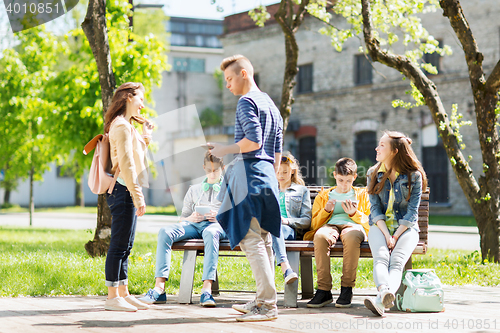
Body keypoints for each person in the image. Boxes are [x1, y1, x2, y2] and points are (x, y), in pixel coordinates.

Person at [208, 54, 283, 322]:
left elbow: (253, 141)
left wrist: (223, 149)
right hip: (266, 179)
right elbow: (276, 152)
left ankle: (266, 305)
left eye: (229, 79)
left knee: (252, 241)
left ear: (243, 74)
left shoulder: (246, 101)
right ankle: (263, 299)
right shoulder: (272, 106)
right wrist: (269, 181)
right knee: (262, 240)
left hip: (250, 177)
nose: (227, 85)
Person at [139, 152, 227, 307]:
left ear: (223, 168)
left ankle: (206, 290)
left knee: (210, 232)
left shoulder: (229, 190)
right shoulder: (195, 189)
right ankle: (159, 288)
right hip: (194, 225)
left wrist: (219, 216)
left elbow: (237, 217)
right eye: (208, 170)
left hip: (216, 226)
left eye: (216, 171)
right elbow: (182, 218)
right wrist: (191, 218)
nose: (212, 174)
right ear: (203, 168)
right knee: (165, 232)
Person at [363, 131, 427, 316]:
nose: (377, 148)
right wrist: (386, 235)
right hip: (380, 227)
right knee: (381, 257)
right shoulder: (373, 173)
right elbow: (375, 210)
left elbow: (412, 213)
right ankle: (384, 292)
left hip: (406, 228)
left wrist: (396, 236)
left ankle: (380, 301)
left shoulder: (414, 176)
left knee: (397, 262)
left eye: (382, 145)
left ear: (394, 151)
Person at [104, 82, 153, 311]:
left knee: (126, 245)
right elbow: (126, 164)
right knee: (118, 245)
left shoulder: (127, 126)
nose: (143, 104)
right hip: (122, 190)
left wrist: (146, 136)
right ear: (128, 98)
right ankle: (112, 297)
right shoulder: (121, 126)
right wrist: (138, 195)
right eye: (140, 99)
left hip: (126, 190)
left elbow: (136, 153)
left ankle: (123, 292)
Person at [304, 158, 370, 308]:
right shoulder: (324, 195)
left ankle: (347, 289)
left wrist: (355, 214)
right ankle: (323, 290)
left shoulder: (362, 194)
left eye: (348, 181)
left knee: (352, 237)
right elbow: (314, 224)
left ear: (354, 177)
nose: (344, 185)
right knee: (320, 237)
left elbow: (369, 222)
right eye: (340, 180)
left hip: (353, 226)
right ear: (334, 175)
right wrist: (326, 210)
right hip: (330, 225)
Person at [272, 151, 311, 284]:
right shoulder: (270, 190)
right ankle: (286, 271)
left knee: (275, 227)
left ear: (292, 171)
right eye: (278, 171)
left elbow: (307, 221)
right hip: (267, 229)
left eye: (285, 172)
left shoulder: (301, 191)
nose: (281, 175)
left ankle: (284, 268)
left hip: (287, 229)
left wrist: (286, 221)